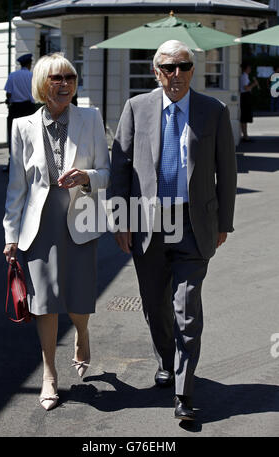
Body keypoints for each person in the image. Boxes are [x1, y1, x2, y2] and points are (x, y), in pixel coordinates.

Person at [111, 40, 237, 421]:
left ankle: (184, 393)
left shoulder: (213, 111)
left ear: (192, 70)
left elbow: (226, 172)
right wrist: (120, 220)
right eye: (168, 68)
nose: (176, 75)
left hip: (193, 224)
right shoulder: (136, 108)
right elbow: (120, 167)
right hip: (147, 224)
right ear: (156, 71)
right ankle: (166, 358)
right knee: (155, 304)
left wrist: (224, 222)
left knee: (187, 310)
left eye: (183, 66)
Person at [3, 53, 110, 411]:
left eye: (70, 77)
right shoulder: (22, 127)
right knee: (44, 302)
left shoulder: (91, 118)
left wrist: (88, 177)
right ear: (41, 84)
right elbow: (17, 186)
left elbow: (107, 173)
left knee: (79, 299)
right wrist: (10, 234)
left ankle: (81, 333)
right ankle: (49, 373)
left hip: (79, 218)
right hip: (39, 223)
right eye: (56, 78)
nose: (64, 84)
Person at [3, 53, 37, 171]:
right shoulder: (32, 75)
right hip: (28, 107)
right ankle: (28, 162)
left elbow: (8, 92)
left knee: (13, 135)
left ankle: (12, 163)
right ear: (28, 64)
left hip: (16, 108)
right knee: (29, 136)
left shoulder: (13, 75)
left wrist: (8, 100)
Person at [239, 62, 259, 142]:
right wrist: (254, 84)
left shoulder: (246, 76)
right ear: (246, 68)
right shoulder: (244, 76)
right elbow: (246, 88)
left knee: (246, 117)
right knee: (244, 117)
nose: (250, 69)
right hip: (245, 96)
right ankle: (245, 136)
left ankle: (246, 135)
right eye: (249, 67)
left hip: (246, 96)